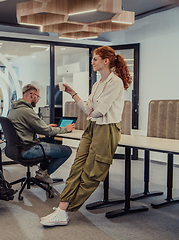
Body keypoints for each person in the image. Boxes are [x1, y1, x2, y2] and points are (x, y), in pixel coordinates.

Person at [40, 46, 132, 227]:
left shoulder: (116, 82)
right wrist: (72, 93)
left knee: (92, 172)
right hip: (93, 127)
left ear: (106, 61)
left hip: (106, 130)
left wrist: (91, 111)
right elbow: (89, 109)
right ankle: (61, 209)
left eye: (95, 59)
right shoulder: (97, 84)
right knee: (77, 167)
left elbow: (99, 111)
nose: (92, 62)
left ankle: (64, 209)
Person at [7, 84, 75, 184]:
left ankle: (42, 171)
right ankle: (44, 174)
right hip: (27, 149)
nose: (38, 99)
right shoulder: (27, 111)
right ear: (32, 95)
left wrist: (46, 126)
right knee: (67, 150)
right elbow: (46, 131)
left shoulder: (14, 109)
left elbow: (28, 127)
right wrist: (65, 129)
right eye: (38, 97)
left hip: (15, 148)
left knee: (50, 140)